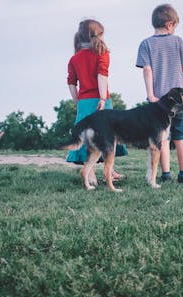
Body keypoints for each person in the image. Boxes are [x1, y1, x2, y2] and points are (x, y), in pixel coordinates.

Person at [136, 4, 183, 184]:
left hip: (160, 103)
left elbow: (147, 70)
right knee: (182, 136)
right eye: (175, 26)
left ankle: (166, 174)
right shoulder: (177, 41)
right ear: (169, 24)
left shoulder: (146, 44)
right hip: (181, 101)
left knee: (163, 138)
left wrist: (151, 95)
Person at [66, 19, 127, 182]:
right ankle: (109, 171)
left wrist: (77, 100)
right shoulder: (102, 53)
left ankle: (91, 174)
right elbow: (102, 75)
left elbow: (71, 82)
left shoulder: (74, 59)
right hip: (102, 100)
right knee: (109, 136)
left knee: (87, 136)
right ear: (98, 35)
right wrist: (101, 97)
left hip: (84, 102)